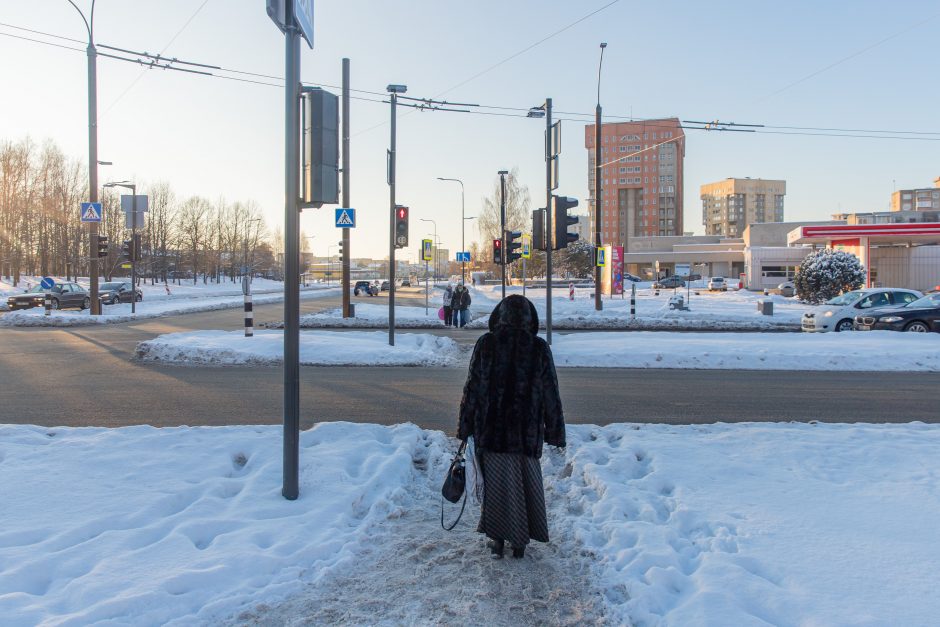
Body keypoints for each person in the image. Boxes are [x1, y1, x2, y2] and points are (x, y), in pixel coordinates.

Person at [457, 295, 565, 559]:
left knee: (495, 488)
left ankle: (497, 538)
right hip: (525, 435)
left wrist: (465, 425)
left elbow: (472, 389)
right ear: (530, 319)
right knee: (524, 487)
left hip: (491, 432)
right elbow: (551, 393)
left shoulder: (487, 344)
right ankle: (521, 541)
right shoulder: (538, 348)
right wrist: (555, 433)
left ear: (499, 316)